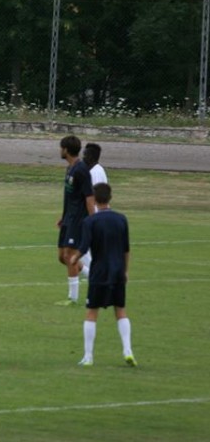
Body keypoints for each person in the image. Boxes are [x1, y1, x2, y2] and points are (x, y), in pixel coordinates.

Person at [69, 183, 136, 367]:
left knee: (91, 312)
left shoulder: (90, 222)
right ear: (110, 198)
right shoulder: (122, 219)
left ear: (95, 200)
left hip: (99, 272)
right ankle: (127, 350)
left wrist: (74, 258)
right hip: (117, 272)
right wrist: (125, 270)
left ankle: (88, 357)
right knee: (120, 310)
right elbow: (126, 249)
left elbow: (83, 247)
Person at [56, 135, 95, 306]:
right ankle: (94, 275)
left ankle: (72, 298)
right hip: (68, 219)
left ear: (66, 149)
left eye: (61, 148)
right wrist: (63, 216)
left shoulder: (81, 170)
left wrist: (93, 221)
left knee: (70, 256)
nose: (60, 151)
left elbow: (89, 197)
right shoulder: (70, 169)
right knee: (62, 257)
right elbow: (70, 197)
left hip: (78, 220)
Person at [78, 142, 108, 277]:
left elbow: (95, 197)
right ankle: (95, 275)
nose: (83, 157)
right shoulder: (94, 170)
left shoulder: (96, 172)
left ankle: (96, 276)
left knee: (84, 250)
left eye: (85, 154)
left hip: (95, 217)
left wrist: (94, 218)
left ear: (91, 157)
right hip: (93, 216)